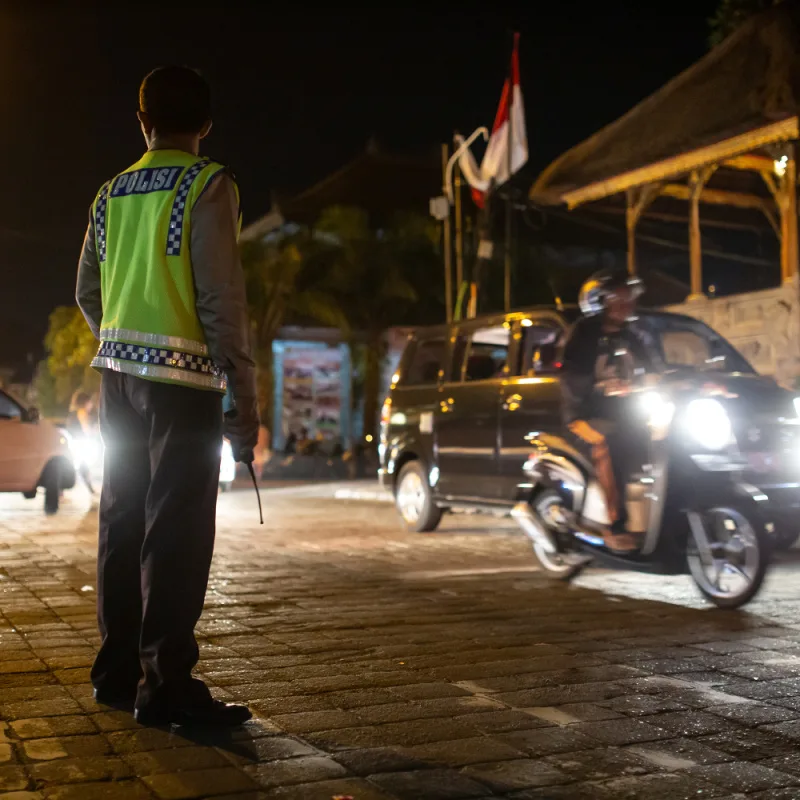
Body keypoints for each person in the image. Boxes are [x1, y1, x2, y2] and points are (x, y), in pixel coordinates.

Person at [76, 66, 259, 726]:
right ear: (205, 125)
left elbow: (86, 294)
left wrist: (120, 343)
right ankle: (167, 687)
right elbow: (220, 301)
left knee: (121, 521)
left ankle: (115, 671)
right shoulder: (208, 185)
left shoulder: (109, 194)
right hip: (184, 384)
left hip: (118, 381)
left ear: (142, 120)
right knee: (175, 530)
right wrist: (244, 400)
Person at [560, 268, 648, 553]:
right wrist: (598, 386)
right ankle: (615, 523)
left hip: (625, 413)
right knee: (609, 445)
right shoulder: (583, 334)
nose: (626, 304)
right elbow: (571, 374)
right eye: (618, 297)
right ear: (602, 300)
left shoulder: (632, 335)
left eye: (629, 297)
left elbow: (653, 367)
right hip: (587, 415)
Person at [66, 390, 97, 496]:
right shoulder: (81, 413)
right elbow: (85, 430)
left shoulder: (74, 413)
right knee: (82, 466)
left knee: (79, 466)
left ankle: (90, 489)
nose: (91, 405)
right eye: (90, 402)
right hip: (80, 443)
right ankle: (91, 490)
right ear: (85, 402)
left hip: (76, 442)